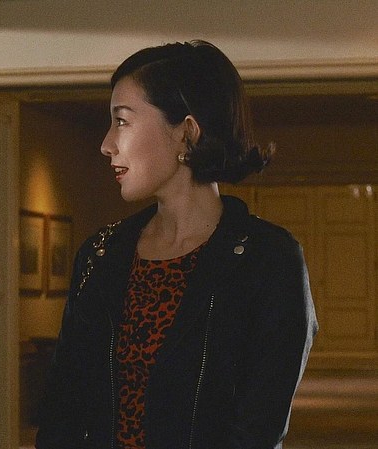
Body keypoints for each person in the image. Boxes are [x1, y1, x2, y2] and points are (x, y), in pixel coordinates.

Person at [35, 40, 318, 449]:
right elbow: (61, 413)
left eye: (122, 121)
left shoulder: (269, 260)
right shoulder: (100, 253)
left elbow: (258, 430)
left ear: (186, 132)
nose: (106, 144)